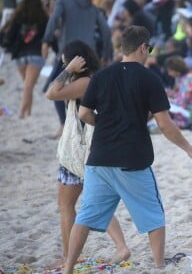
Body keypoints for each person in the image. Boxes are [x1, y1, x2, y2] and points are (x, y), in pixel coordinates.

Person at [63, 25, 192, 273]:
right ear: (142, 47)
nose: (149, 53)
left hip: (99, 159)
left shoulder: (101, 76)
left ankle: (68, 269)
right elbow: (165, 124)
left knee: (85, 216)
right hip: (133, 159)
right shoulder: (150, 78)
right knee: (153, 215)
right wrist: (190, 149)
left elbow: (84, 113)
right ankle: (159, 265)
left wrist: (105, 123)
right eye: (149, 48)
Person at [46, 39, 130, 264]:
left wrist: (67, 71)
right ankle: (120, 248)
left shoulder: (85, 81)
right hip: (94, 149)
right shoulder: (97, 78)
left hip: (79, 151)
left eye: (65, 61)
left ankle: (68, 257)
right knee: (94, 202)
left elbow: (52, 93)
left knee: (67, 205)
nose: (63, 65)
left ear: (76, 61)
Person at [42, 0, 112, 139]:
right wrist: (107, 54)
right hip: (90, 55)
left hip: (70, 53)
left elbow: (53, 20)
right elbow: (106, 30)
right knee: (91, 90)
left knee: (56, 85)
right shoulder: (92, 6)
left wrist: (46, 40)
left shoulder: (63, 1)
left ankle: (63, 124)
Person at [2, 0, 48, 118]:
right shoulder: (43, 17)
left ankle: (27, 112)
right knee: (29, 85)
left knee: (27, 85)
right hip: (36, 54)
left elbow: (10, 34)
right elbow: (48, 35)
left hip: (20, 55)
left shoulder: (18, 16)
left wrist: (7, 45)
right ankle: (23, 113)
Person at [164, 55, 192, 129]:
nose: (169, 74)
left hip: (191, 114)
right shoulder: (188, 76)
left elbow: (181, 102)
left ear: (176, 69)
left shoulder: (189, 79)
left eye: (170, 71)